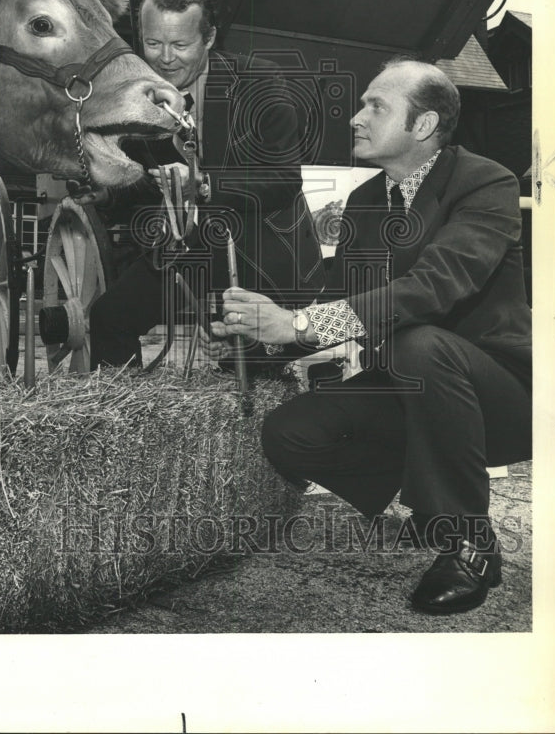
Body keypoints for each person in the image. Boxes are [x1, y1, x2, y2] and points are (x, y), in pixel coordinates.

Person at [209, 58, 532, 615]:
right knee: (292, 433)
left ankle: (468, 540)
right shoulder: (364, 202)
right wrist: (265, 336)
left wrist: (299, 324)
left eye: (375, 106)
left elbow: (433, 289)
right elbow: (339, 304)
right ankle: (434, 505)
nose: (356, 118)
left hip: (503, 396)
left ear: (424, 125)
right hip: (417, 388)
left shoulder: (487, 182)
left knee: (418, 344)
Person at [83, 0, 323, 370]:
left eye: (180, 45)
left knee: (245, 362)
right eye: (153, 43)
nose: (164, 59)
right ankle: (122, 421)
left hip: (259, 248)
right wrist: (109, 191)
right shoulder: (136, 96)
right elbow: (144, 183)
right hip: (187, 247)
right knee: (110, 317)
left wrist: (204, 185)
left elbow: (283, 182)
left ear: (209, 39)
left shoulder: (260, 84)